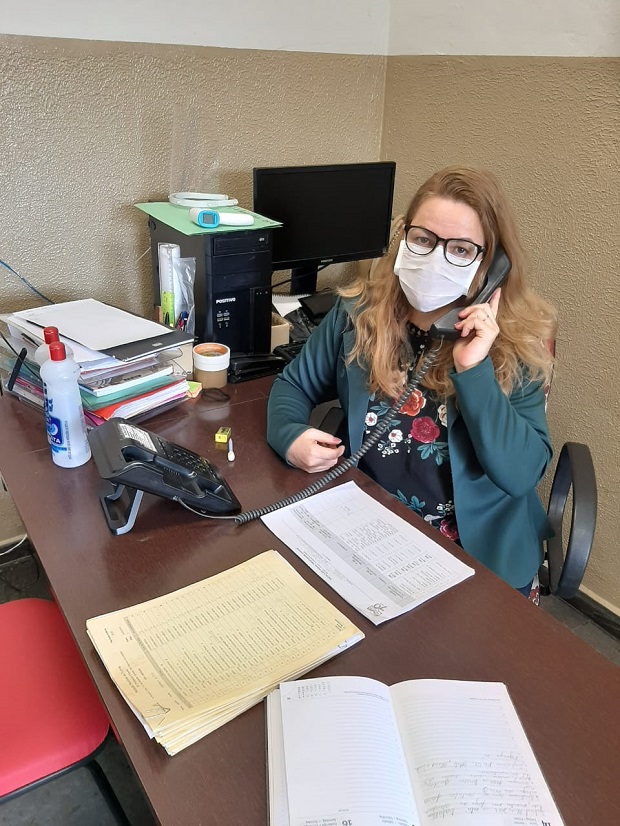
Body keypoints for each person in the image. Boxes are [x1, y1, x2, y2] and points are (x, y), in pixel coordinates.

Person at [267, 166, 557, 598]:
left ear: (490, 264)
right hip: (371, 534)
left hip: (478, 560)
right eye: (423, 239)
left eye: (460, 249)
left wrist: (473, 369)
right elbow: (293, 386)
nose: (436, 257)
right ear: (403, 236)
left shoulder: (516, 343)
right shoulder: (358, 314)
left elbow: (519, 475)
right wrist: (291, 435)